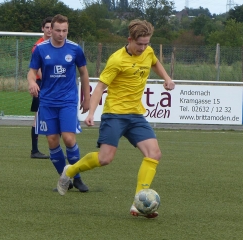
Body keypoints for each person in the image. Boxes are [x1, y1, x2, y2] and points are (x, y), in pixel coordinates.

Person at [56, 19, 175, 218]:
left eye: (147, 43)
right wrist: (92, 112)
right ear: (130, 40)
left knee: (154, 153)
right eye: (140, 44)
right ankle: (70, 171)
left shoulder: (148, 52)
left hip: (136, 115)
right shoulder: (117, 60)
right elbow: (100, 87)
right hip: (115, 115)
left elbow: (154, 62)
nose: (144, 48)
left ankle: (139, 201)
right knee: (105, 159)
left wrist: (167, 78)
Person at [28, 14, 90, 192]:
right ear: (50, 30)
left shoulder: (75, 49)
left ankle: (76, 178)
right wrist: (32, 82)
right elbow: (31, 72)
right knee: (52, 141)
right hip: (47, 101)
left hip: (68, 100)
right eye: (57, 30)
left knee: (69, 139)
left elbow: (84, 73)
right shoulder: (40, 49)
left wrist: (86, 98)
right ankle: (65, 179)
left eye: (65, 31)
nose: (61, 34)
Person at [30, 17, 52, 159]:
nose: (50, 30)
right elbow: (36, 69)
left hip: (51, 85)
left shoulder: (54, 45)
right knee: (38, 117)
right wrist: (50, 80)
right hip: (42, 84)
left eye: (52, 27)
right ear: (42, 29)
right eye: (47, 27)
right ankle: (34, 150)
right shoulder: (38, 46)